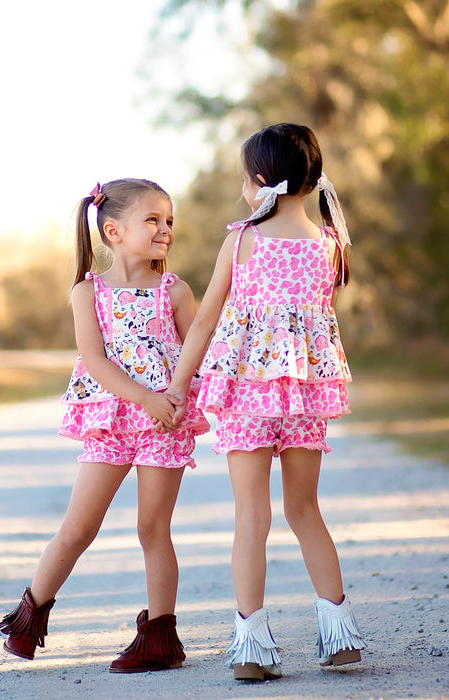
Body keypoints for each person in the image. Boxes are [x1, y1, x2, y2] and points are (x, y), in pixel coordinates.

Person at [165, 123, 364, 681]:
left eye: (242, 180)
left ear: (259, 180)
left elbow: (204, 319)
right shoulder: (329, 243)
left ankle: (251, 644)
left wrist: (180, 384)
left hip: (249, 389)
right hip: (303, 392)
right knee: (305, 511)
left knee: (251, 516)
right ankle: (339, 630)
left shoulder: (245, 238)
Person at [0, 178, 209, 673]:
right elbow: (94, 359)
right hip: (112, 415)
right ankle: (29, 619)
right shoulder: (88, 292)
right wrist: (144, 398)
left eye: (169, 221)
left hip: (165, 420)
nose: (165, 229)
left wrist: (172, 396)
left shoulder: (174, 290)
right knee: (77, 527)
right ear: (113, 230)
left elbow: (195, 348)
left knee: (152, 528)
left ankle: (160, 639)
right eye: (152, 220)